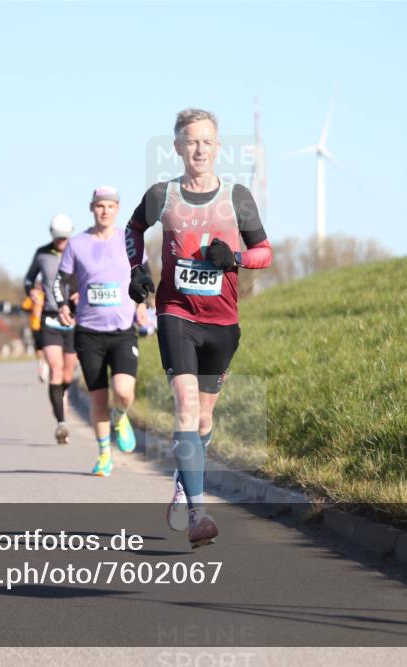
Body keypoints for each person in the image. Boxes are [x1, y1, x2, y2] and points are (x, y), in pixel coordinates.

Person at [125, 109, 273, 547]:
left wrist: (235, 259)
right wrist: (137, 269)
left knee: (204, 418)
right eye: (191, 141)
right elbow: (132, 230)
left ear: (218, 147)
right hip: (177, 314)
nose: (199, 149)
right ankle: (198, 512)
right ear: (177, 147)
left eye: (207, 141)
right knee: (186, 407)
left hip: (222, 322)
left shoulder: (237, 197)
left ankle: (183, 479)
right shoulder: (162, 195)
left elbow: (264, 252)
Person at [54, 186, 148, 476]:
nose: (104, 211)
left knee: (123, 392)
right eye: (99, 206)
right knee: (98, 399)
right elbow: (60, 281)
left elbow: (144, 276)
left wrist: (143, 304)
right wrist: (62, 305)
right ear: (92, 208)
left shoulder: (129, 240)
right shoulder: (77, 244)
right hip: (89, 332)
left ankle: (120, 416)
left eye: (110, 206)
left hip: (122, 330)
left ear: (117, 209)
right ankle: (105, 454)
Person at [24, 214, 78, 444]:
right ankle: (61, 422)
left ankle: (60, 395)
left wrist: (81, 292)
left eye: (65, 238)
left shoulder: (78, 250)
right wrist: (32, 292)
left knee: (67, 374)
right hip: (50, 317)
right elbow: (28, 280)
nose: (61, 242)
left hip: (73, 318)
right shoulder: (42, 253)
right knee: (55, 369)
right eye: (58, 238)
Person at [21, 288, 49, 382]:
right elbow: (24, 307)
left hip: (47, 325)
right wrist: (32, 298)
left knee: (47, 347)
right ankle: (42, 364)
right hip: (35, 326)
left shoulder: (47, 295)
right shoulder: (33, 295)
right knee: (39, 348)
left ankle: (46, 365)